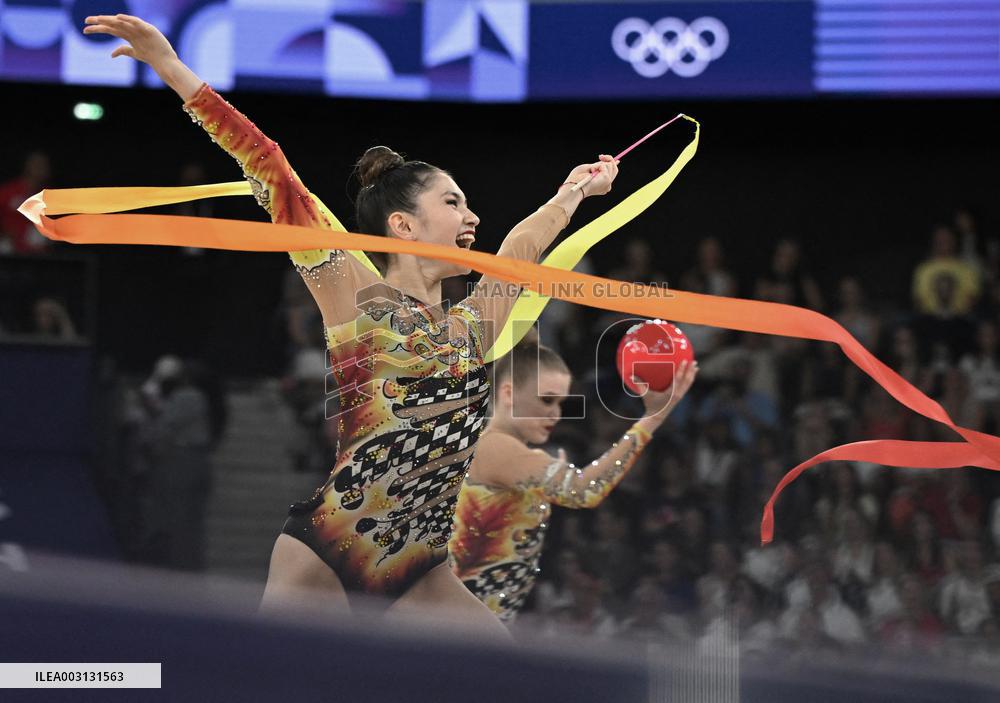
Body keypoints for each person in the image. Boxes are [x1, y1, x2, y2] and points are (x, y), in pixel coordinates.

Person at [83, 14, 619, 629]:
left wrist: (576, 192)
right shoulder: (356, 295)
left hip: (419, 566)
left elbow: (523, 247)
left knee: (504, 677)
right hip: (330, 548)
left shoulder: (475, 325)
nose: (473, 217)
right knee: (255, 683)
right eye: (453, 202)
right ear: (403, 225)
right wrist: (173, 69)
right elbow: (271, 167)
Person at [449, 340, 696, 620]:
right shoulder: (499, 449)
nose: (555, 414)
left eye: (560, 402)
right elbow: (585, 491)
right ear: (509, 394)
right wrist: (652, 419)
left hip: (475, 614)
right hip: (464, 620)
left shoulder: (498, 450)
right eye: (546, 400)